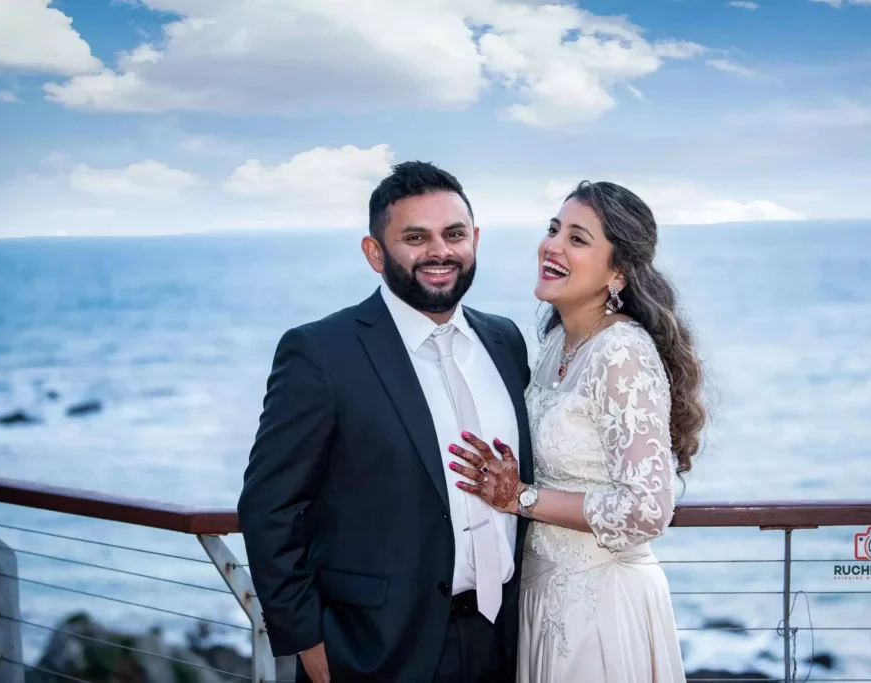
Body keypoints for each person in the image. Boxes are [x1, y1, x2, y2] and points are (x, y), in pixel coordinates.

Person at [237, 161, 534, 683]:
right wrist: (307, 640)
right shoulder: (320, 353)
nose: (439, 252)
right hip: (374, 652)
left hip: (503, 641)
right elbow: (269, 506)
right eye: (415, 237)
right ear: (375, 252)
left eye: (454, 234)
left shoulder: (505, 340)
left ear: (475, 240)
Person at [450, 180, 706, 682]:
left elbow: (648, 509)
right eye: (553, 229)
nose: (553, 246)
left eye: (578, 238)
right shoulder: (555, 346)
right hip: (543, 597)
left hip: (602, 608)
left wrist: (521, 498)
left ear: (617, 272)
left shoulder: (620, 352)